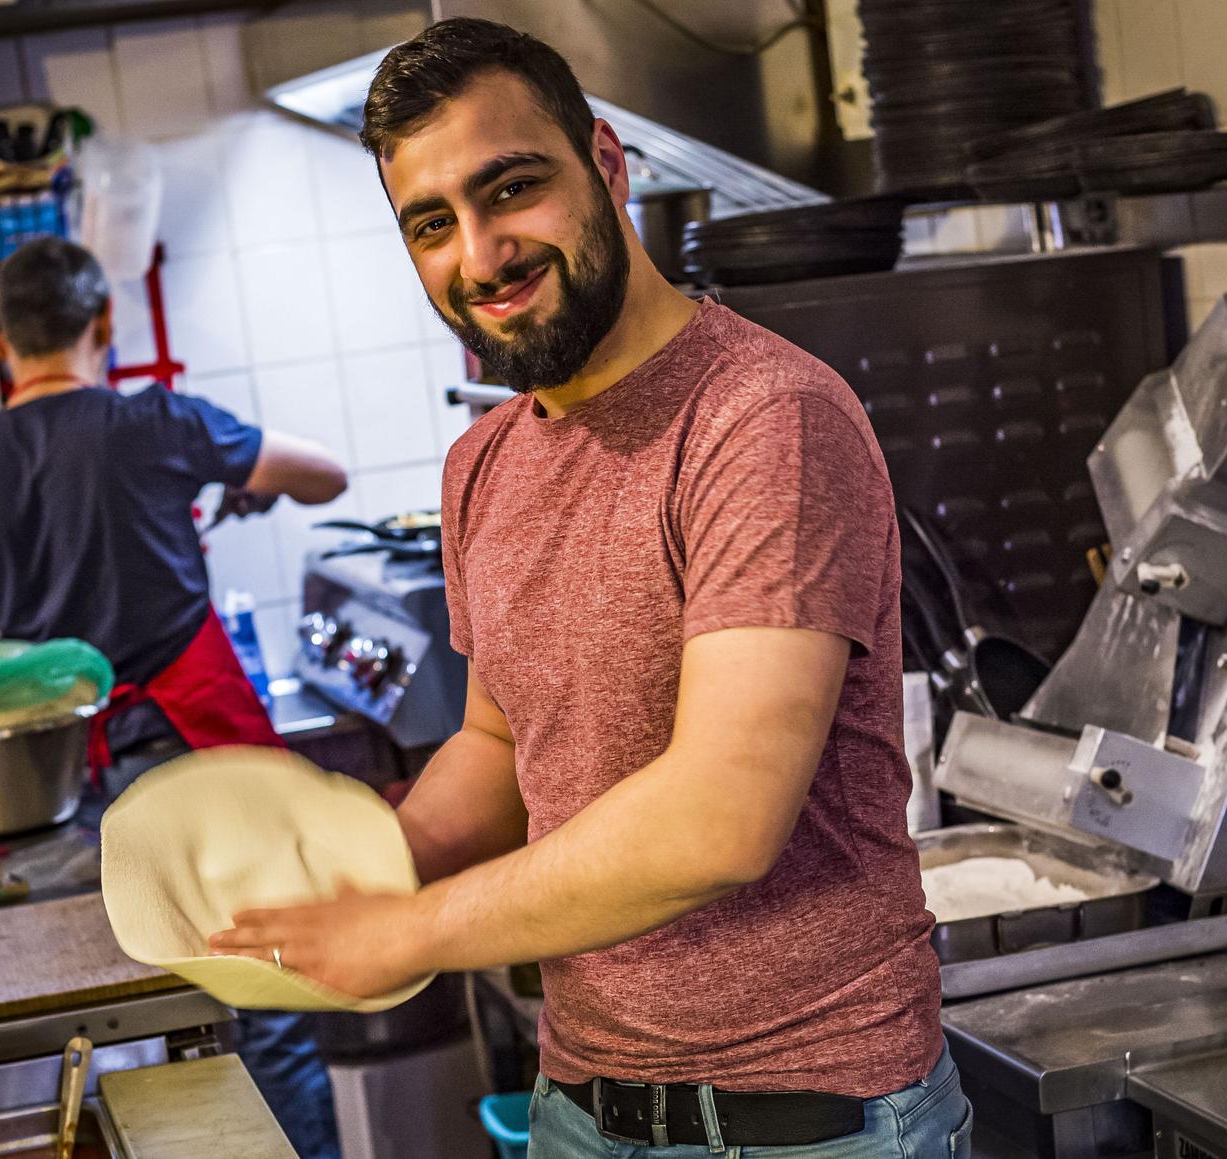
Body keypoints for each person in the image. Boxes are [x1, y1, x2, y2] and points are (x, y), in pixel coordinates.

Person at [212, 18, 968, 1158]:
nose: (479, 256)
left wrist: (411, 930)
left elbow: (719, 820)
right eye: (431, 225)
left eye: (509, 189)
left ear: (605, 165)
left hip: (809, 1121)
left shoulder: (760, 418)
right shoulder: (485, 462)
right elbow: (493, 746)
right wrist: (354, 869)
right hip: (583, 1105)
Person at [0, 236, 348, 1159]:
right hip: (203, 772)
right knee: (265, 1005)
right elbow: (324, 474)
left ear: (0, 338)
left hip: (63, 795)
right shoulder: (153, 421)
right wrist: (248, 479)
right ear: (104, 324)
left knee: (130, 1016)